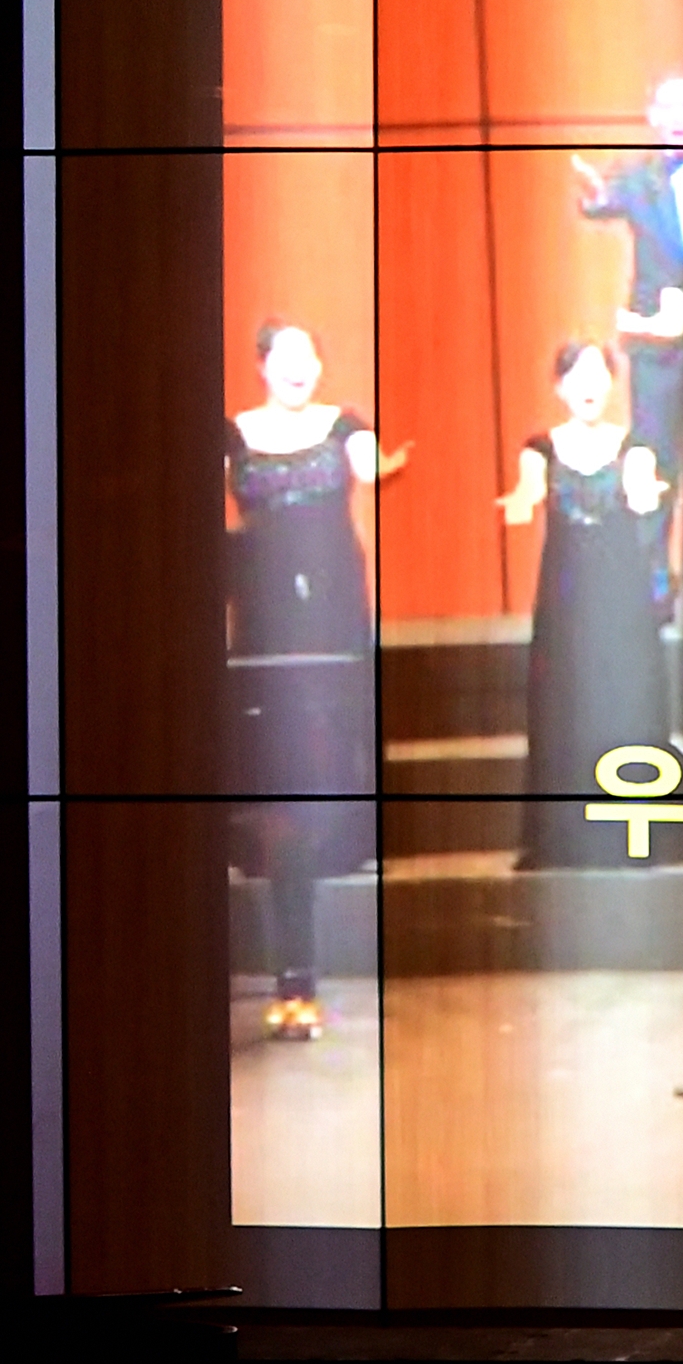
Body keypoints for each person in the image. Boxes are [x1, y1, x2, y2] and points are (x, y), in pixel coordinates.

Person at [226, 322, 404, 1041]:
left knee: (336, 714)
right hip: (264, 597)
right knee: (271, 728)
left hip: (331, 589)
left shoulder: (343, 425)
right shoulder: (233, 434)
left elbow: (373, 467)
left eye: (310, 357)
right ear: (262, 365)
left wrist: (385, 462)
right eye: (286, 358)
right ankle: (271, 843)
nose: (300, 369)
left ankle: (345, 834)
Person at [501, 339, 675, 870]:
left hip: (623, 594)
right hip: (566, 595)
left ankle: (634, 830)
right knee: (566, 697)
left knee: (625, 694)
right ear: (559, 387)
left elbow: (641, 488)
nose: (588, 385)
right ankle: (566, 836)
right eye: (576, 375)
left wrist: (646, 497)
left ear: (612, 383)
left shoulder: (634, 445)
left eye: (599, 373)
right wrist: (522, 501)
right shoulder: (541, 448)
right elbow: (529, 489)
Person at [572, 73, 683, 476]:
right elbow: (602, 202)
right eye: (669, 107)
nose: (679, 116)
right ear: (652, 116)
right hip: (657, 346)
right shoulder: (634, 176)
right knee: (655, 464)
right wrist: (595, 195)